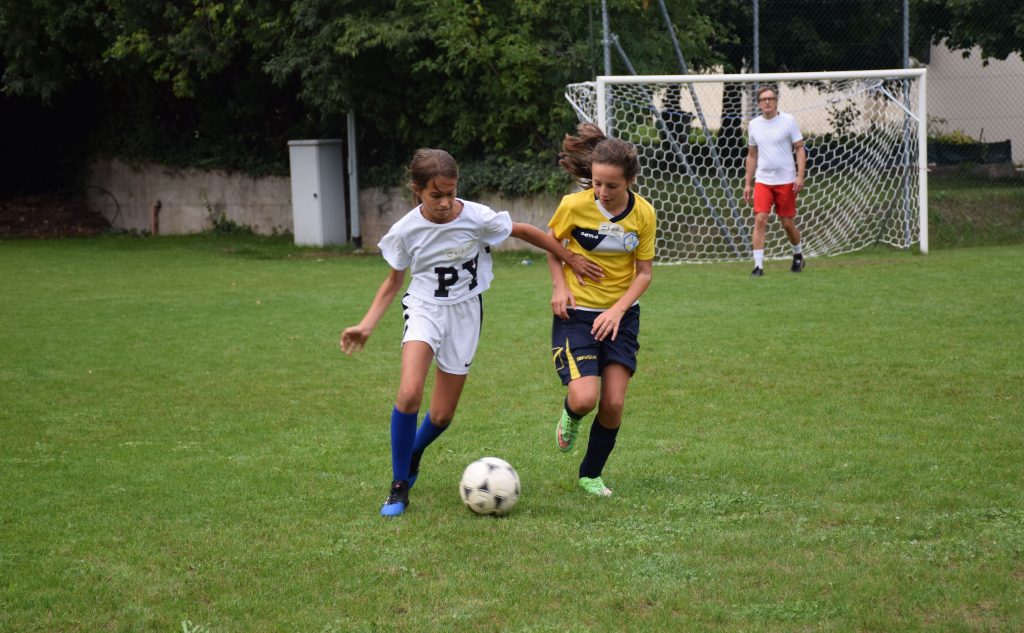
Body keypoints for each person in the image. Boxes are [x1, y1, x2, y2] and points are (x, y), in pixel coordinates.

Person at [340, 148, 603, 517]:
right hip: (424, 309)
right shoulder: (405, 231)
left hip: (466, 313)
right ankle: (399, 486)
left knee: (443, 415)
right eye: (436, 195)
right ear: (417, 190)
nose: (446, 202)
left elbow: (526, 232)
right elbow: (392, 282)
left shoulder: (476, 217)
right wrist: (366, 324)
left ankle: (411, 453)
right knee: (410, 391)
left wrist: (570, 257)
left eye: (451, 192)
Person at [545, 123, 656, 497]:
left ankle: (591, 474)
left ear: (630, 181)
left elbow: (644, 274)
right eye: (596, 183)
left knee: (612, 403)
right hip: (576, 314)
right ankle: (571, 416)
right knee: (584, 398)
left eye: (612, 185)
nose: (603, 192)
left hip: (621, 317)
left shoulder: (644, 214)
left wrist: (618, 310)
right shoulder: (573, 206)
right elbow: (551, 244)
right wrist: (560, 286)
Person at [743, 85, 806, 276]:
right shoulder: (754, 124)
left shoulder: (788, 121)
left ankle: (798, 254)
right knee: (760, 219)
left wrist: (800, 175)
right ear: (759, 104)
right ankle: (758, 266)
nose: (767, 102)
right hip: (763, 180)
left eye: (770, 98)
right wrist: (748, 183)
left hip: (786, 179)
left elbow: (800, 148)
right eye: (763, 99)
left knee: (787, 223)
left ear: (776, 101)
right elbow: (752, 155)